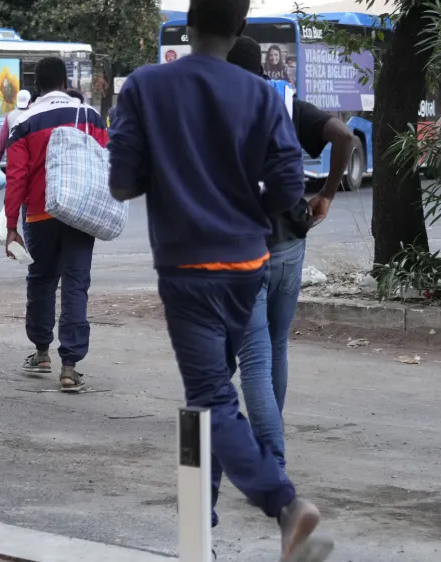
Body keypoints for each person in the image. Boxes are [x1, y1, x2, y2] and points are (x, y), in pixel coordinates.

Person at [108, 0, 333, 560]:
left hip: (187, 270)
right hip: (249, 269)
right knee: (213, 397)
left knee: (208, 398)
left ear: (188, 27)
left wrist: (177, 168)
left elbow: (121, 185)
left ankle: (283, 506)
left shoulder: (144, 87)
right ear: (239, 31)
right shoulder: (261, 95)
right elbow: (286, 193)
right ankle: (199, 532)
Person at [227, 36, 357, 468]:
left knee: (253, 359)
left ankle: (269, 459)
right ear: (264, 66)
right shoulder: (285, 100)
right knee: (275, 346)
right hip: (288, 243)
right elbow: (344, 135)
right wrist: (327, 193)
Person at [4, 57, 107, 391]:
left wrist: (10, 226)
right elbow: (104, 161)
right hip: (80, 213)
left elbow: (16, 178)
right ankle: (70, 366)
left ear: (36, 85)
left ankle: (41, 351)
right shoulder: (90, 116)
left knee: (41, 278)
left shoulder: (24, 121)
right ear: (65, 82)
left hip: (39, 213)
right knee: (76, 283)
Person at [0, 89, 32, 164]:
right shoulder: (34, 114)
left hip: (14, 157)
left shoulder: (9, 116)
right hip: (30, 157)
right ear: (29, 102)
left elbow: (2, 138)